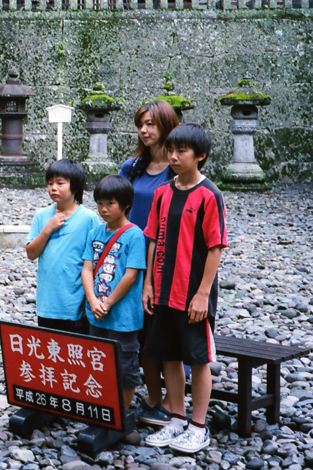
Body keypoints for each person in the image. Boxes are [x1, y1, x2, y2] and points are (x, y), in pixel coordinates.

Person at [142, 123, 227, 454]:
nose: (173, 157)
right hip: (163, 289)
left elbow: (216, 247)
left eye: (181, 151)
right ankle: (176, 419)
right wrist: (149, 283)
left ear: (200, 155)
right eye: (170, 150)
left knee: (198, 359)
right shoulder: (163, 193)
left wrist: (203, 293)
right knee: (169, 356)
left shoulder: (209, 195)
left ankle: (198, 427)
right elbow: (153, 239)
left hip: (192, 292)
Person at [118, 100, 180, 426]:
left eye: (151, 124)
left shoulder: (177, 169)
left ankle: (172, 400)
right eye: (141, 124)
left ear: (167, 125)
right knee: (138, 329)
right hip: (131, 256)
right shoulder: (132, 168)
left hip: (167, 259)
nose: (144, 130)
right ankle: (153, 395)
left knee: (164, 329)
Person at [81, 175, 147, 410]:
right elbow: (87, 269)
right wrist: (92, 300)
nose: (103, 209)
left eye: (110, 203)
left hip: (123, 317)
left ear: (125, 204)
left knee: (125, 364)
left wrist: (107, 303)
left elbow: (131, 275)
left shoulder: (134, 235)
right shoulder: (95, 233)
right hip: (96, 312)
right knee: (98, 361)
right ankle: (104, 406)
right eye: (100, 203)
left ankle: (122, 411)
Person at [24, 159, 101, 333]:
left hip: (75, 303)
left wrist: (90, 299)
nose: (53, 188)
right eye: (50, 183)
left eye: (60, 183)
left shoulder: (88, 219)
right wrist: (47, 229)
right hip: (47, 303)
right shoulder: (42, 216)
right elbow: (31, 253)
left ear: (75, 186)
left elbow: (97, 262)